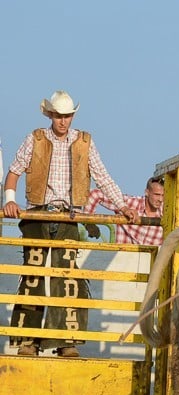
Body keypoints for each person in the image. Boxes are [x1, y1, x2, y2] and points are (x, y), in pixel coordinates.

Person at [3, 90, 138, 357]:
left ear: (72, 116)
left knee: (66, 279)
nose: (62, 121)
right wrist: (9, 200)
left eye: (66, 116)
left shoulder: (84, 142)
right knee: (33, 277)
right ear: (50, 115)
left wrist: (122, 205)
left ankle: (66, 342)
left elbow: (102, 176)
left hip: (69, 216)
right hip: (37, 215)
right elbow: (14, 171)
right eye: (58, 116)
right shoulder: (35, 138)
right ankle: (27, 341)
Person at [82, 176, 165, 245]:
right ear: (147, 192)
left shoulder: (167, 213)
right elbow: (95, 194)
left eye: (163, 195)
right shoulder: (130, 203)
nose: (160, 199)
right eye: (157, 195)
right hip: (124, 258)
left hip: (151, 262)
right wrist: (88, 223)